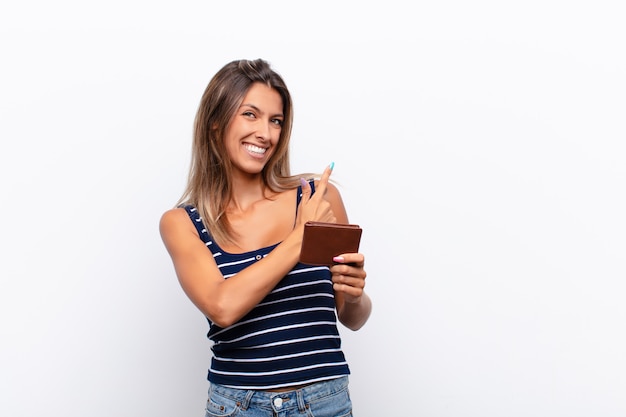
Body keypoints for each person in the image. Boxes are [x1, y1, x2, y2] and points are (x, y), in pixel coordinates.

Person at [159, 58, 372, 416]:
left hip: (324, 402)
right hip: (239, 406)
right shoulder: (183, 222)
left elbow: (352, 317)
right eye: (250, 115)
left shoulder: (317, 198)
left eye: (276, 121)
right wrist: (299, 238)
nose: (266, 133)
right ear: (215, 123)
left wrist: (354, 294)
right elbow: (223, 307)